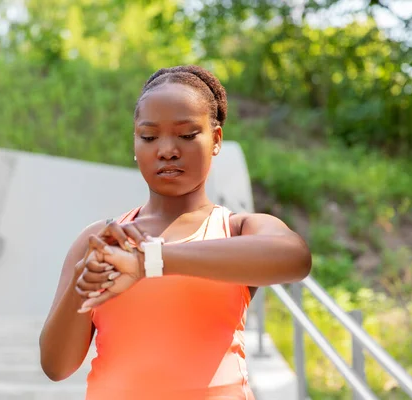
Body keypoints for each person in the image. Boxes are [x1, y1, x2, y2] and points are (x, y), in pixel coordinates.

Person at [39, 65, 312, 400]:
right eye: (149, 136)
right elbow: (56, 367)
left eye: (186, 134)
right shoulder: (100, 240)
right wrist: (81, 286)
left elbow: (295, 258)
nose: (166, 149)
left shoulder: (237, 229)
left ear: (216, 139)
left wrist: (150, 261)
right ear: (135, 143)